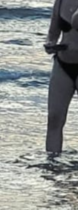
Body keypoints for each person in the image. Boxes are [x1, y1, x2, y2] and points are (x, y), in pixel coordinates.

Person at [46, 0, 78, 155]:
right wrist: (50, 44)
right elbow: (53, 32)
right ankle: (52, 160)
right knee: (54, 118)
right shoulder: (61, 1)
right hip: (63, 63)